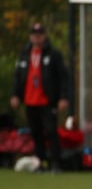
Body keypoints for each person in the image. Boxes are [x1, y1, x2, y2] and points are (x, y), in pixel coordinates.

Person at [10, 23, 71, 172]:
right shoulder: (24, 54)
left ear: (44, 36)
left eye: (39, 35)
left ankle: (56, 162)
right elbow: (18, 76)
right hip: (30, 100)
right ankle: (40, 162)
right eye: (34, 35)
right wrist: (15, 95)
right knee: (35, 132)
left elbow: (63, 77)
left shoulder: (53, 54)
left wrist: (63, 97)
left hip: (46, 100)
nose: (36, 38)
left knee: (51, 131)